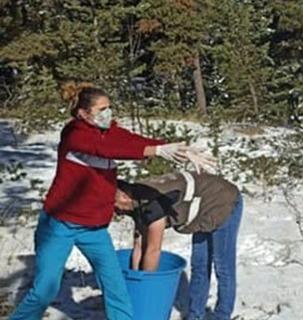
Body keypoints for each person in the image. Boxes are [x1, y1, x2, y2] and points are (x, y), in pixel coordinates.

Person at [9, 85, 212, 320]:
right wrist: (155, 150)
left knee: (116, 289)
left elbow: (128, 140)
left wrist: (174, 148)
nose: (109, 113)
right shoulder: (75, 134)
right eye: (102, 109)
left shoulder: (108, 131)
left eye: (110, 108)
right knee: (45, 291)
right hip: (59, 225)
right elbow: (105, 149)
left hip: (94, 229)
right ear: (84, 114)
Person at [115, 172, 242, 320]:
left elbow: (153, 250)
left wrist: (147, 286)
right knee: (199, 264)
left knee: (223, 266)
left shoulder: (153, 204)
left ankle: (222, 315)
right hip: (202, 209)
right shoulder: (135, 202)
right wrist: (136, 278)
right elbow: (139, 246)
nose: (116, 213)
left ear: (124, 196)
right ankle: (195, 315)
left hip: (223, 201)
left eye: (114, 206)